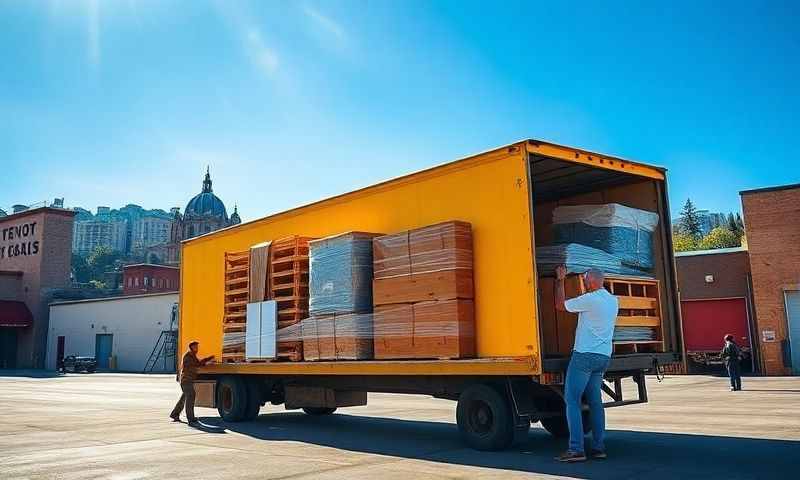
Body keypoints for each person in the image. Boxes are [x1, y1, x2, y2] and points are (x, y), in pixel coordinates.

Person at [553, 265, 619, 462]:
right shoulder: (613, 301)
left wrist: (560, 280)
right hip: (603, 357)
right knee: (595, 402)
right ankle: (599, 448)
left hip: (584, 356)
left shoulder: (590, 300)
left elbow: (560, 305)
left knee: (572, 400)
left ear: (591, 281)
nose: (585, 282)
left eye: (586, 279)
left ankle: (576, 449)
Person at [170, 341, 214, 425]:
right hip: (186, 381)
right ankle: (190, 419)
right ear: (191, 347)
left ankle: (174, 414)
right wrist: (208, 360)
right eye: (195, 347)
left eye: (197, 347)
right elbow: (197, 364)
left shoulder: (192, 355)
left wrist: (208, 359)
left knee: (184, 398)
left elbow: (198, 363)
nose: (197, 349)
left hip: (188, 380)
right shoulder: (188, 356)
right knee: (191, 396)